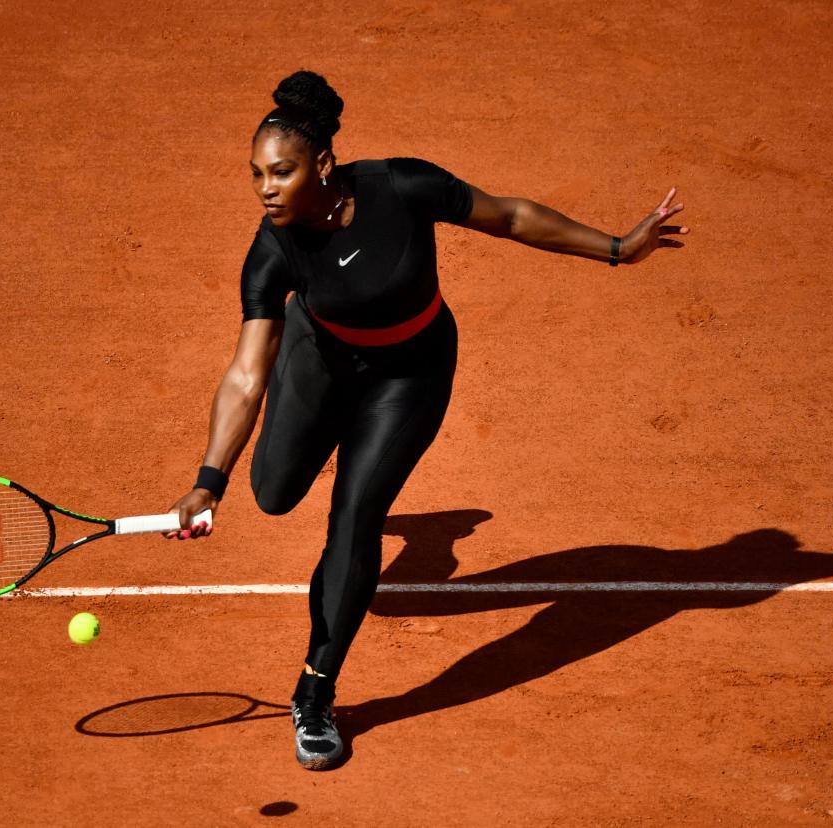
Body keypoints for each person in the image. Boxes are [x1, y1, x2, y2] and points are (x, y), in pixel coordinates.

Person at [165, 69, 689, 770]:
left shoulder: (401, 187)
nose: (265, 188)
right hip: (318, 362)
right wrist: (209, 480)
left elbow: (511, 216)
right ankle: (403, 521)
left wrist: (620, 248)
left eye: (280, 172)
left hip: (408, 376)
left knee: (355, 516)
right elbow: (245, 373)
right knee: (274, 492)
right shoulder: (271, 250)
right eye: (256, 174)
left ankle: (315, 693)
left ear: (322, 164)